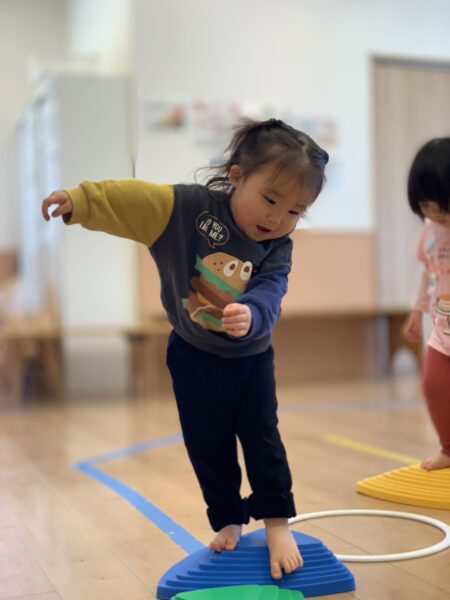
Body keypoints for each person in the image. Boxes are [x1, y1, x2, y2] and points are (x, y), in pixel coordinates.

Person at [41, 118, 329, 578]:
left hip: (251, 360)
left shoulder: (277, 245)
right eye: (271, 199)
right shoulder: (187, 209)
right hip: (192, 354)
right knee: (206, 443)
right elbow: (134, 200)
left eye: (296, 210)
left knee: (263, 439)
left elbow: (272, 288)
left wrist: (252, 313)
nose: (278, 218)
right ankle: (229, 518)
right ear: (237, 176)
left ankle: (277, 522)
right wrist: (82, 200)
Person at [403, 137, 450, 471]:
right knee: (433, 385)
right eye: (425, 207)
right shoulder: (431, 232)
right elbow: (428, 273)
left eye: (441, 207)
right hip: (441, 326)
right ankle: (448, 449)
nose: (432, 215)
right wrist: (416, 312)